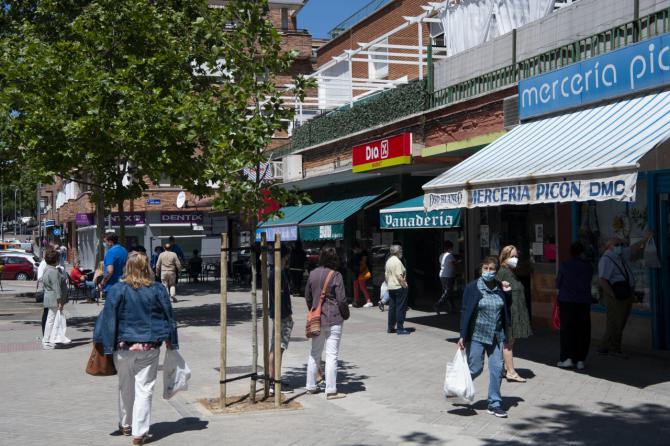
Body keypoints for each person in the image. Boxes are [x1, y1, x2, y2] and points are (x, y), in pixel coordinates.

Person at [94, 251, 179, 445]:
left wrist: (107, 346)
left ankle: (125, 424)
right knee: (145, 389)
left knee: (125, 385)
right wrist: (171, 341)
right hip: (149, 346)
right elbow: (169, 316)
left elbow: (108, 319)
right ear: (147, 267)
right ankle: (139, 432)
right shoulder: (157, 289)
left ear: (127, 267)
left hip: (123, 346)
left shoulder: (117, 289)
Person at [457, 256, 512, 418]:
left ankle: (494, 403)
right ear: (481, 270)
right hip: (477, 335)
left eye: (491, 269)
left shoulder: (500, 287)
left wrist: (508, 293)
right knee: (475, 368)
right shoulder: (472, 287)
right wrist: (462, 335)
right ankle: (458, 386)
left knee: (496, 369)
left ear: (496, 271)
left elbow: (506, 307)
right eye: (485, 269)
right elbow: (465, 311)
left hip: (496, 335)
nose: (488, 272)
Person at [305, 246, 348, 400]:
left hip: (317, 319)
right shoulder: (336, 275)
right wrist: (345, 314)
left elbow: (308, 297)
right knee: (332, 355)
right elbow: (342, 299)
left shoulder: (313, 274)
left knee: (314, 353)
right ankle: (330, 390)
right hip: (334, 318)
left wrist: (313, 309)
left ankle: (310, 386)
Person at [597, 234, 649, 357]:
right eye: (617, 245)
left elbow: (632, 248)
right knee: (616, 322)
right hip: (616, 295)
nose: (620, 247)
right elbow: (603, 280)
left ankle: (606, 347)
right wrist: (613, 294)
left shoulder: (619, 255)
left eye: (621, 244)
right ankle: (612, 348)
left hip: (625, 292)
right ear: (609, 247)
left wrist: (644, 240)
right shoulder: (606, 259)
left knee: (619, 321)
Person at [497, 245, 532, 383]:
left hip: (514, 312)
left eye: (516, 256)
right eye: (512, 256)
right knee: (508, 343)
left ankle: (505, 369)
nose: (515, 259)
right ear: (504, 257)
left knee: (509, 342)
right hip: (509, 313)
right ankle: (511, 372)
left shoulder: (511, 272)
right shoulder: (503, 272)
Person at [556, 242, 594, 370]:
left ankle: (567, 358)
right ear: (582, 253)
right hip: (583, 301)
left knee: (567, 330)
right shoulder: (588, 267)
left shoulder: (565, 266)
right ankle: (580, 360)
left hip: (567, 302)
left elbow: (558, 283)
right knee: (583, 330)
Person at [268, 248, 293, 394]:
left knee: (275, 347)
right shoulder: (279, 273)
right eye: (287, 258)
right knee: (279, 348)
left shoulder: (274, 272)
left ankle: (273, 379)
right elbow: (281, 297)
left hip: (277, 313)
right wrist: (287, 314)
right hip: (281, 315)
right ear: (283, 257)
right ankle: (274, 381)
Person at [42, 249, 68, 349]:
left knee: (50, 319)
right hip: (54, 298)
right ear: (55, 260)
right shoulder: (53, 271)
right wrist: (60, 301)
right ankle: (47, 341)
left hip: (49, 296)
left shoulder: (47, 268)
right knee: (51, 320)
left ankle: (48, 340)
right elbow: (56, 286)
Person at [385, 245, 410, 335]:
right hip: (399, 287)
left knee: (392, 308)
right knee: (400, 308)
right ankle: (400, 328)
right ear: (397, 252)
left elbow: (386, 276)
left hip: (391, 287)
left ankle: (390, 327)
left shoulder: (388, 261)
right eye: (401, 251)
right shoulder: (397, 262)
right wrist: (405, 286)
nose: (402, 253)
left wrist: (389, 284)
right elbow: (399, 276)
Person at [99, 233, 129, 298]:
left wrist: (102, 283)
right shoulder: (124, 251)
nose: (105, 244)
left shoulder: (110, 253)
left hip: (112, 287)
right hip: (124, 285)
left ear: (110, 242)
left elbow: (110, 271)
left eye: (105, 241)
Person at [435, 240, 457, 314]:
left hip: (442, 275)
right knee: (448, 292)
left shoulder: (441, 255)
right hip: (448, 275)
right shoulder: (450, 255)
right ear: (450, 247)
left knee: (447, 292)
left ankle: (452, 307)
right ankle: (438, 304)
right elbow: (452, 264)